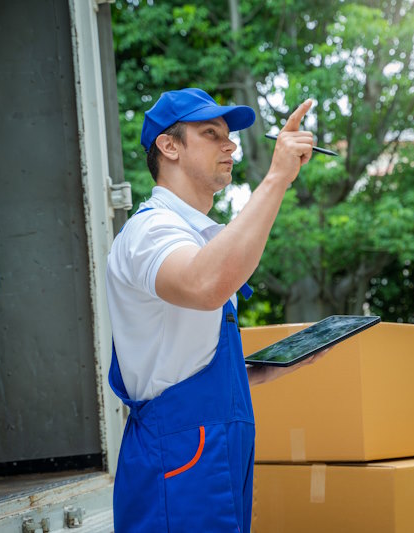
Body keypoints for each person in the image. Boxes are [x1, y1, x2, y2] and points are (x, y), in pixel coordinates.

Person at [105, 87, 316, 532]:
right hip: (182, 450)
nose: (231, 145)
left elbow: (184, 353)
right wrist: (276, 178)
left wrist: (258, 371)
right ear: (169, 146)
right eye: (211, 133)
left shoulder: (198, 235)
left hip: (217, 442)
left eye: (229, 135)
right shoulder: (149, 230)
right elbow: (204, 285)